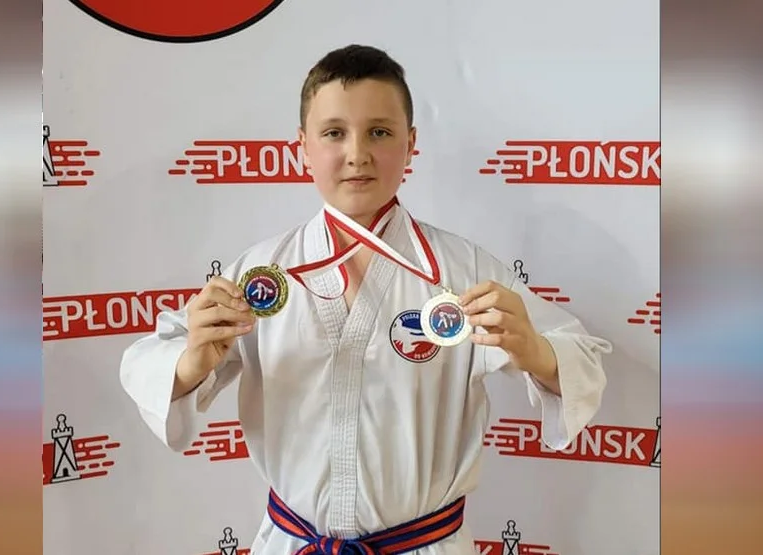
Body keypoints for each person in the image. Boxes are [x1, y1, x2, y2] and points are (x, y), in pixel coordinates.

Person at [120, 44, 612, 555]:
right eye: (334, 133)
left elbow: (583, 357)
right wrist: (191, 363)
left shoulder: (463, 271)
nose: (357, 153)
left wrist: (534, 351)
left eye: (379, 132)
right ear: (302, 147)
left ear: (410, 143)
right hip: (294, 543)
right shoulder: (259, 274)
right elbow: (146, 360)